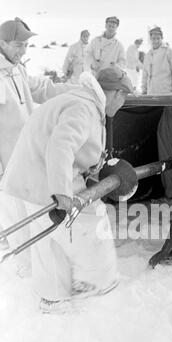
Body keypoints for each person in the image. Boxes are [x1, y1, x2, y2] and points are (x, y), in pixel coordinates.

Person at [2, 67, 134, 314]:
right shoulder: (83, 107)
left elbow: (74, 145)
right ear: (115, 92)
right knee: (90, 221)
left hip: (30, 180)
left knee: (48, 239)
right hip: (42, 180)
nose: (124, 101)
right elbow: (60, 146)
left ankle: (52, 297)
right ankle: (95, 281)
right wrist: (62, 193)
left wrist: (93, 163)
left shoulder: (85, 102)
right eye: (124, 95)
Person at [0, 18, 76, 273]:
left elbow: (41, 88)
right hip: (5, 165)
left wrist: (75, 91)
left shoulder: (15, 68)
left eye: (26, 45)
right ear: (3, 42)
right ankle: (24, 274)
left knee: (27, 214)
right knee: (14, 218)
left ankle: (32, 267)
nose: (23, 51)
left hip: (23, 158)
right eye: (19, 44)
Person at [142, 26, 172, 95]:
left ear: (162, 38)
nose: (156, 41)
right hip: (151, 93)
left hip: (166, 93)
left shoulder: (169, 52)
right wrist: (144, 89)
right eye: (154, 39)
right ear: (150, 39)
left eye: (158, 38)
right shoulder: (148, 55)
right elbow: (145, 74)